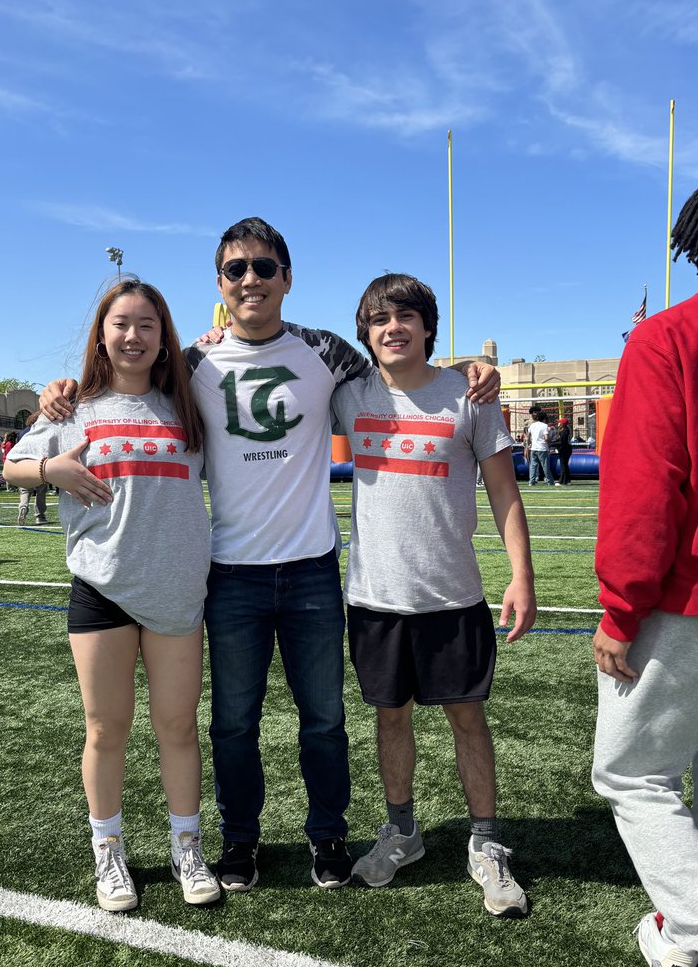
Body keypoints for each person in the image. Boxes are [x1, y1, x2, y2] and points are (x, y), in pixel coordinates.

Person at [40, 217, 501, 893]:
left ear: (287, 277)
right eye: (236, 269)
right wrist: (61, 392)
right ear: (220, 284)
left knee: (324, 721)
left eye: (263, 267)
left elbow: (403, 372)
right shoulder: (190, 365)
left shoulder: (327, 353)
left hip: (312, 569)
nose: (250, 279)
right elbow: (123, 385)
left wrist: (469, 370)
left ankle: (328, 837)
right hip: (228, 575)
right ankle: (240, 842)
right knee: (232, 724)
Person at [6, 280, 220, 910]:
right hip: (102, 589)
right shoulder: (73, 408)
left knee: (178, 726)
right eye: (121, 324)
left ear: (164, 336)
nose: (133, 336)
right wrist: (52, 470)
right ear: (102, 333)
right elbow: (14, 465)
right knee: (106, 728)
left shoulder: (189, 408)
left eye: (147, 325)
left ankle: (187, 844)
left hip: (178, 590)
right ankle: (109, 852)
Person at [331, 274, 536, 915]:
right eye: (379, 319)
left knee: (467, 719)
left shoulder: (467, 395)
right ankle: (402, 831)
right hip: (375, 598)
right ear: (366, 332)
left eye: (406, 317)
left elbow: (504, 490)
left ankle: (486, 841)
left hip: (453, 597)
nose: (393, 328)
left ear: (427, 327)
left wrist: (521, 575)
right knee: (390, 719)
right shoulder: (348, 395)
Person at [591, 166, 698, 967]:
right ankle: (684, 942)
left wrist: (618, 608)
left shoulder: (672, 337)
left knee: (631, 772)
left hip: (694, 597)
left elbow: (645, 489)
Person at [15, 413, 50, 526]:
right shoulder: (41, 431)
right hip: (38, 463)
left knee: (25, 490)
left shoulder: (22, 433)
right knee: (41, 491)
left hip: (23, 464)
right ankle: (40, 515)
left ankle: (23, 507)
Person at [525, 407, 554, 486]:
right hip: (542, 448)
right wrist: (550, 441)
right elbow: (546, 438)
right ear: (544, 418)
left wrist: (529, 445)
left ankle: (531, 481)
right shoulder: (544, 426)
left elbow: (528, 437)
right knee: (545, 466)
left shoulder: (532, 425)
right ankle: (549, 481)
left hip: (534, 448)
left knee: (533, 466)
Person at [555, 417, 572, 486]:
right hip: (567, 449)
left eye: (559, 422)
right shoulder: (566, 430)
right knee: (565, 465)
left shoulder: (564, 431)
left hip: (564, 450)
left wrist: (551, 444)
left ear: (562, 424)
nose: (558, 423)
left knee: (563, 465)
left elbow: (562, 442)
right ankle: (567, 480)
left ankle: (562, 481)